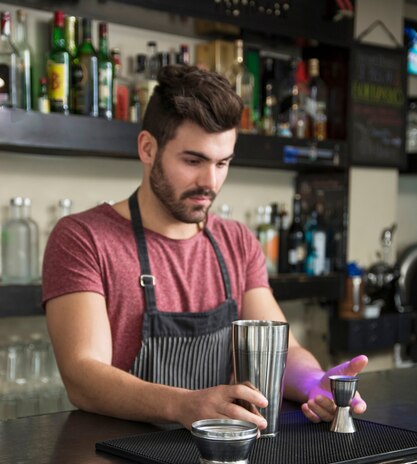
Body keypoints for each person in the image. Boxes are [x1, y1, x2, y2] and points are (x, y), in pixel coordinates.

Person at [42, 64, 368, 432]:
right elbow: (84, 377)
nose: (209, 182)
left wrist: (316, 382)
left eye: (223, 163)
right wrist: (184, 405)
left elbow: (282, 350)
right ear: (148, 148)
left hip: (224, 459)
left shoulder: (236, 241)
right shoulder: (83, 238)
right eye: (193, 161)